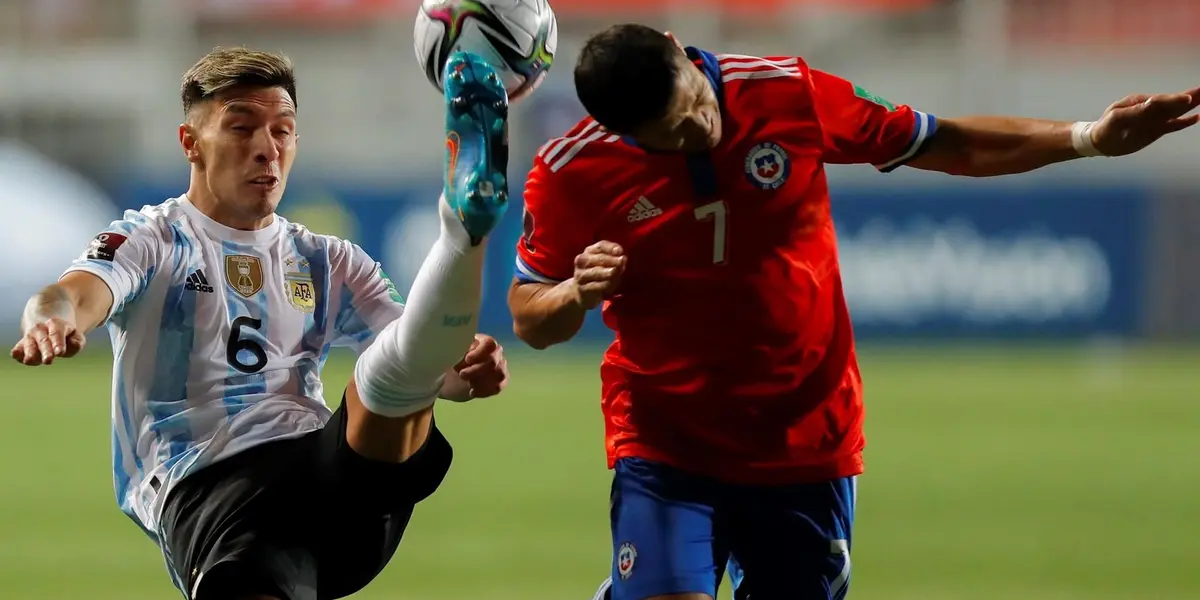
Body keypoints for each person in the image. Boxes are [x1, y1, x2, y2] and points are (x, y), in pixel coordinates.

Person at [507, 23, 1199, 600]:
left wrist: (1088, 138)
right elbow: (530, 317)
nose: (700, 126)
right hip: (667, 439)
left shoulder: (784, 90)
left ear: (678, 48)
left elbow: (946, 142)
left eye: (694, 102)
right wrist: (573, 294)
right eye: (675, 131)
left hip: (806, 434)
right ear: (619, 132)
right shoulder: (571, 173)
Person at [11, 47, 513, 600]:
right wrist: (50, 321)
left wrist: (464, 366)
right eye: (241, 127)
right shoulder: (154, 239)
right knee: (394, 372)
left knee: (396, 369)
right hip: (210, 486)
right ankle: (461, 234)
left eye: (283, 130)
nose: (265, 149)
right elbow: (71, 295)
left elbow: (439, 371)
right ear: (190, 144)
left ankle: (463, 226)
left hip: (330, 473)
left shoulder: (329, 260)